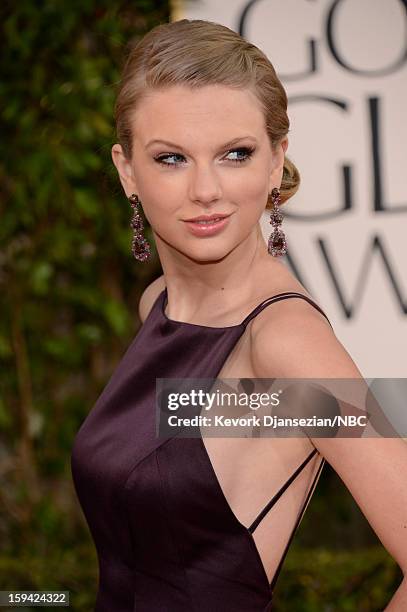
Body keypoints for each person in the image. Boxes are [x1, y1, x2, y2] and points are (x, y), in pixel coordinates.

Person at [70, 18, 407, 611]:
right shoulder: (160, 305)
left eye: (236, 154)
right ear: (127, 171)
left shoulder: (285, 345)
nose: (206, 189)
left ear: (276, 161)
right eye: (172, 158)